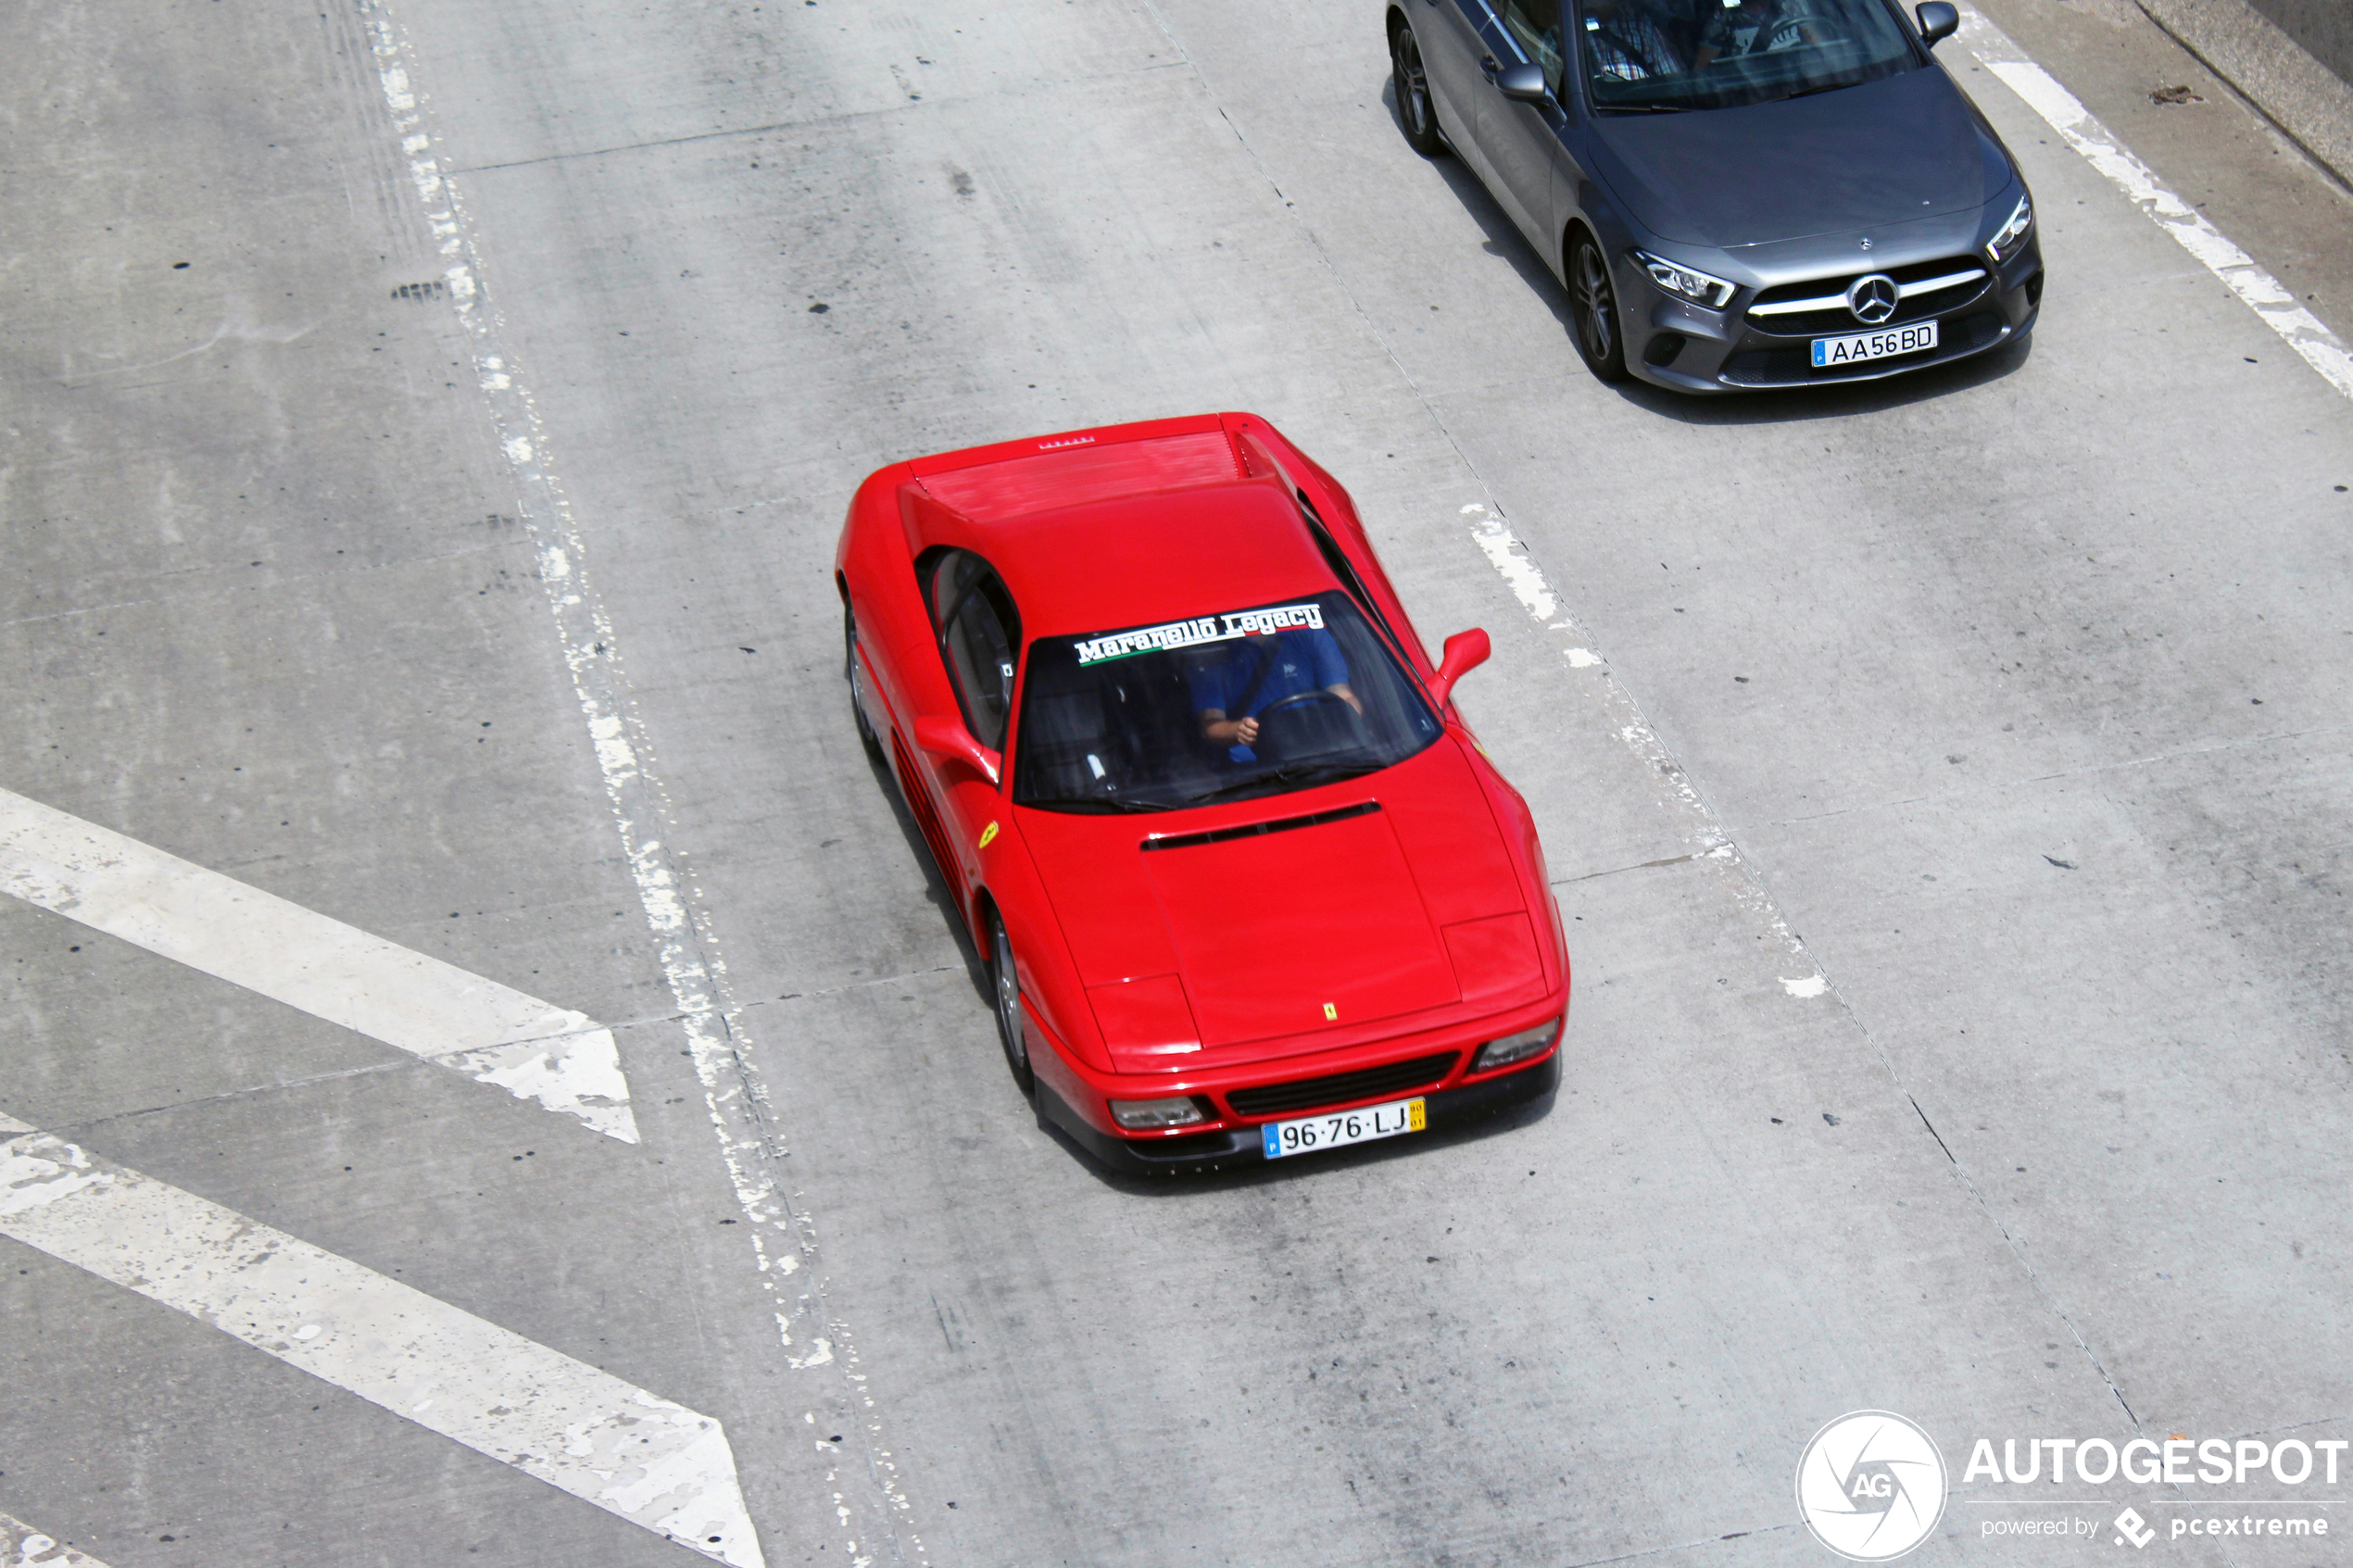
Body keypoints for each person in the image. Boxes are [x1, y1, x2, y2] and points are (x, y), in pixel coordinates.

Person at [1190, 626, 1360, 761]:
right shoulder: (1213, 650)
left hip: (1323, 753)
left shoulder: (1308, 631)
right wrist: (1239, 730)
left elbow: (1342, 695)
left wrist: (1350, 719)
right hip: (1255, 770)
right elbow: (1210, 724)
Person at [1580, 0, 1689, 81]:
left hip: (1647, 107)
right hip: (1598, 109)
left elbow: (1674, 83)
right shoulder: (1570, 36)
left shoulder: (1640, 25)